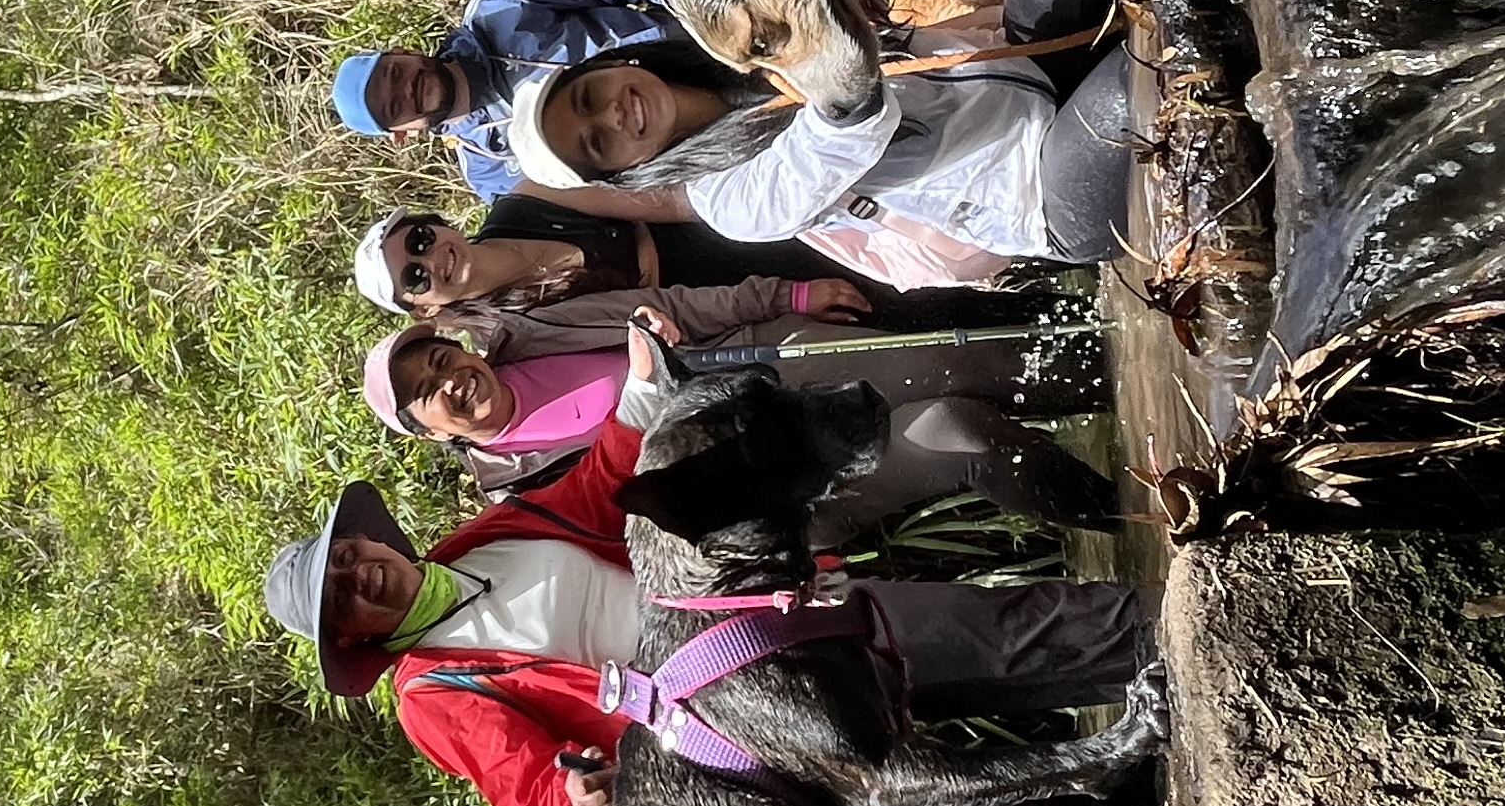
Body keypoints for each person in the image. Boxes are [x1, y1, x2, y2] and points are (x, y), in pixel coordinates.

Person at [256, 417, 1156, 806]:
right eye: (345, 597)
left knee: (987, 633)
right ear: (355, 639)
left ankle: (1181, 634)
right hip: (719, 742)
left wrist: (640, 397)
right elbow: (526, 789)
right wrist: (578, 798)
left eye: (349, 558)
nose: (362, 574)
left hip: (761, 618)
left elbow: (602, 486)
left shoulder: (482, 539)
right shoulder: (431, 692)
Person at [361, 295, 1112, 513]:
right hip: (783, 477)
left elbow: (673, 302)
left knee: (992, 359)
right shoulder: (527, 488)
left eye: (439, 359)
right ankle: (1136, 517)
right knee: (959, 432)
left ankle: (1170, 366)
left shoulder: (532, 330)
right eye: (426, 394)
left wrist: (785, 296)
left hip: (770, 359)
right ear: (428, 432)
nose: (449, 380)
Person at [508, 33, 1142, 285]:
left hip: (1023, 75)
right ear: (623, 172)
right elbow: (849, 121)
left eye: (591, 97)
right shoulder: (732, 204)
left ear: (613, 64)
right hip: (1033, 191)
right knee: (1144, 76)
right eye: (599, 143)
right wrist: (812, 17)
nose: (613, 116)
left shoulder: (727, 48)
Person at [329, 0, 730, 212]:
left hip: (716, 40)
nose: (406, 88)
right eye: (393, 106)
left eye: (394, 73)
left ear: (401, 53)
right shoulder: (490, 174)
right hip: (711, 153)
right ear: (401, 134)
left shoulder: (497, 8)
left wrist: (713, 5)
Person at [352, 199, 847, 315]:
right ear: (425, 308)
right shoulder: (511, 331)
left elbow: (662, 200)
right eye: (414, 277)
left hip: (716, 234)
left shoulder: (522, 203)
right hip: (714, 311)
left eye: (420, 239)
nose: (432, 257)